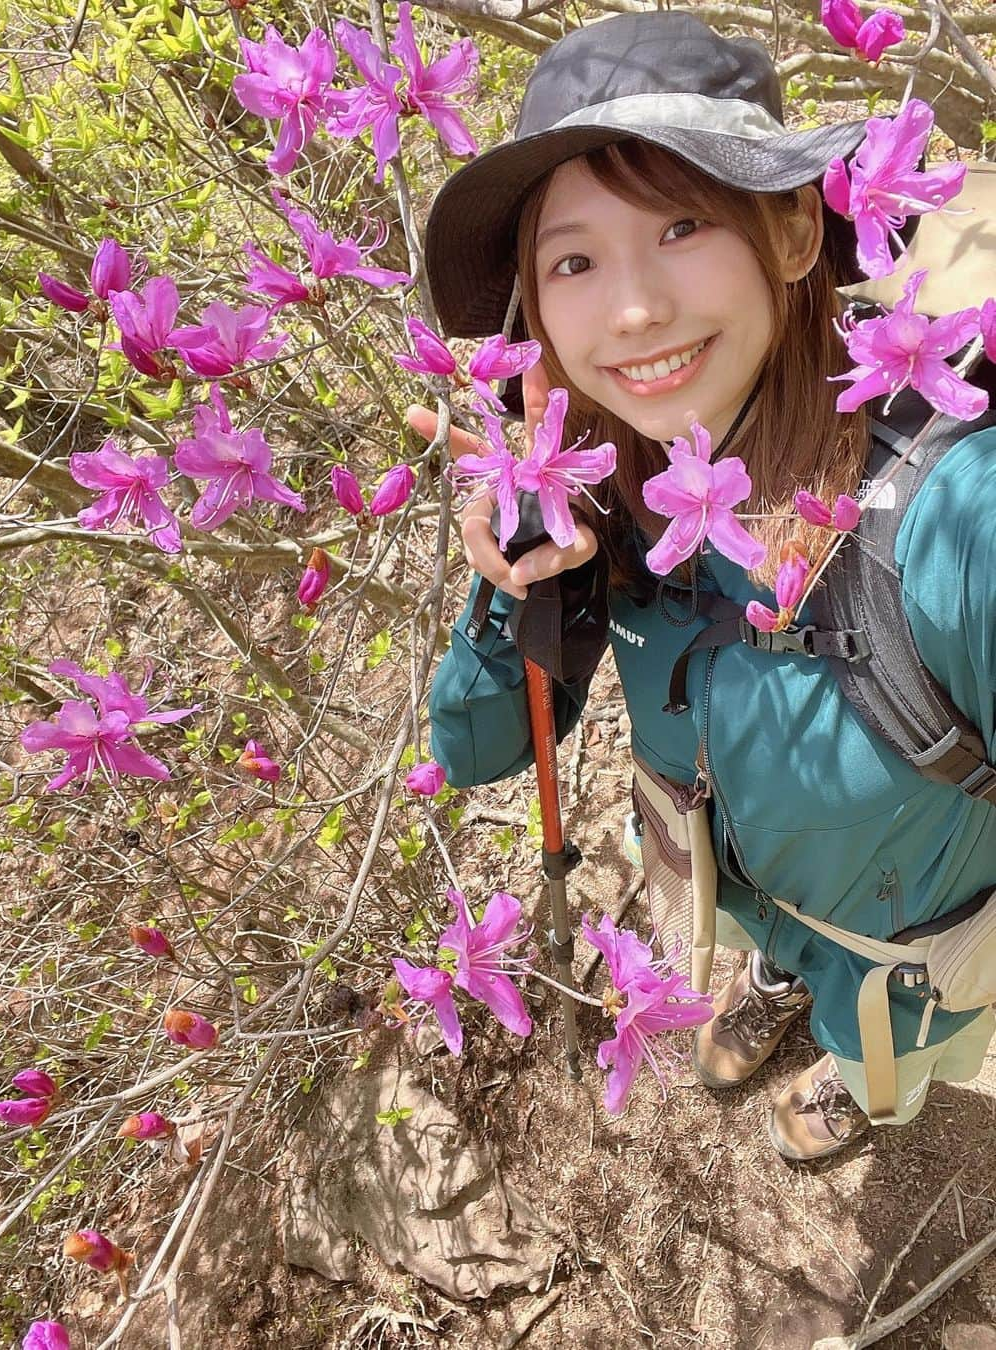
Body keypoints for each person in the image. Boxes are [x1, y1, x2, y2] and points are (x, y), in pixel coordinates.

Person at [406, 11, 996, 1162]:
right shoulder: (603, 487)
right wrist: (516, 585)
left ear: (787, 234)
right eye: (572, 260)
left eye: (681, 224)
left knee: (885, 1049)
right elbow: (471, 748)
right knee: (777, 949)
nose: (631, 311)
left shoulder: (959, 528)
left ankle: (864, 1079)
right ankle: (776, 979)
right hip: (741, 881)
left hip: (910, 952)